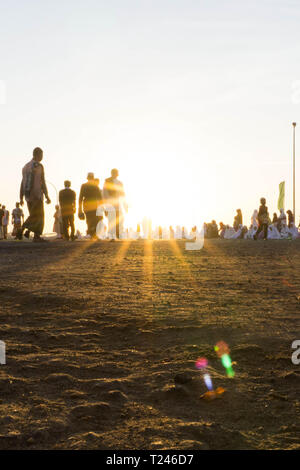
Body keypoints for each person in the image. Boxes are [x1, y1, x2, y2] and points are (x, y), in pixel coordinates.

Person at [18, 147, 51, 242]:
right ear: (37, 155)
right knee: (39, 216)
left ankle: (28, 232)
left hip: (27, 196)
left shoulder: (25, 167)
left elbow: (22, 182)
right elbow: (42, 181)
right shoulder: (39, 166)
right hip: (37, 194)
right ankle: (29, 232)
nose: (42, 157)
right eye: (41, 155)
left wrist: (21, 197)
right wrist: (47, 195)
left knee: (33, 215)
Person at [103, 169, 127, 239]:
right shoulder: (116, 182)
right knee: (114, 219)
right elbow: (105, 194)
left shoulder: (109, 182)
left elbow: (104, 194)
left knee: (114, 219)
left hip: (115, 203)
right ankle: (114, 235)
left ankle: (115, 235)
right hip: (113, 203)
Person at [78, 173, 102, 239]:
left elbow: (80, 198)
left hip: (86, 205)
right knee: (95, 219)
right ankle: (93, 233)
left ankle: (92, 233)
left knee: (89, 219)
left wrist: (79, 209)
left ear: (87, 178)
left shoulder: (83, 185)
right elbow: (100, 198)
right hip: (94, 205)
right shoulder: (96, 186)